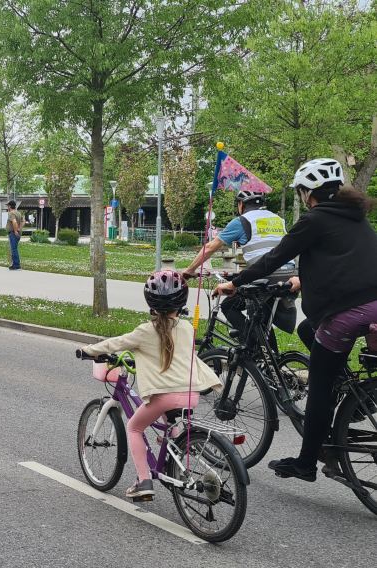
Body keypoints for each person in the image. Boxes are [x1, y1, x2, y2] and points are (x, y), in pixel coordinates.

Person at [214, 158, 377, 482]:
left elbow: (275, 257)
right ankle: (353, 394)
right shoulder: (356, 218)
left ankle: (306, 463)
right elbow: (343, 259)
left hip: (347, 311)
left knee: (319, 387)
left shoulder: (314, 219)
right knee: (306, 329)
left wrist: (235, 283)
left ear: (307, 193)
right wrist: (300, 281)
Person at [82, 270, 222, 499]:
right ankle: (175, 439)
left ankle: (144, 481)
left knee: (134, 428)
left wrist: (87, 350)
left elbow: (116, 343)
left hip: (165, 396)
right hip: (190, 394)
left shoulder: (145, 331)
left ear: (151, 303)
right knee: (168, 419)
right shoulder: (187, 328)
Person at [183, 189, 296, 336]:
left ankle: (250, 347)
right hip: (289, 274)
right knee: (262, 318)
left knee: (229, 305)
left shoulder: (242, 221)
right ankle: (268, 353)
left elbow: (211, 247)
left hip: (266, 275)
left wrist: (190, 270)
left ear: (241, 204)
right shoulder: (277, 219)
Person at [6, 200, 23, 270]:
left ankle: (16, 265)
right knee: (15, 249)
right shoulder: (18, 213)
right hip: (17, 233)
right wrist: (19, 228)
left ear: (10, 206)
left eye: (8, 206)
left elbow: (14, 222)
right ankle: (16, 264)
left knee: (13, 249)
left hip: (13, 233)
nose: (7, 207)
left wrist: (15, 231)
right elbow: (23, 221)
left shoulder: (11, 213)